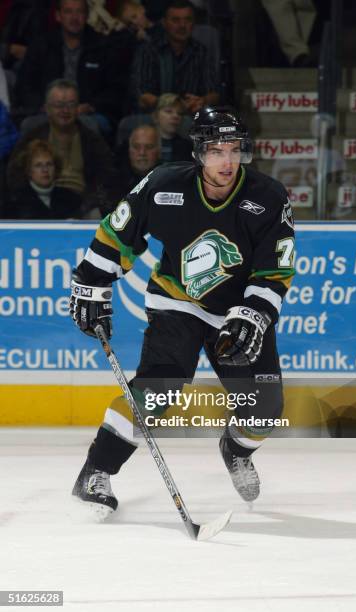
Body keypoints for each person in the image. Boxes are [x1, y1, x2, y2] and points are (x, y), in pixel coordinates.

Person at [69, 106, 295, 517]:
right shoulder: (162, 185)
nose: (227, 162)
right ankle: (95, 471)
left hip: (238, 310)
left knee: (266, 406)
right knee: (159, 389)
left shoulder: (267, 197)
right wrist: (91, 281)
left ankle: (236, 449)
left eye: (234, 150)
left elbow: (275, 269)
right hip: (178, 300)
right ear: (198, 153)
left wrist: (254, 313)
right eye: (216, 151)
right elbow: (118, 234)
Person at [7, 79, 116, 218]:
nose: (65, 110)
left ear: (78, 108)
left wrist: (86, 204)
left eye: (71, 105)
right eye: (59, 105)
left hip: (83, 206)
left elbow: (106, 178)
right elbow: (14, 175)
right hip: (41, 203)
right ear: (47, 108)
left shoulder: (92, 139)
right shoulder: (32, 137)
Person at [13, 0, 120, 134]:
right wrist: (44, 106)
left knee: (89, 125)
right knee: (29, 125)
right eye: (68, 12)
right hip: (46, 111)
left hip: (88, 113)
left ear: (87, 15)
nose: (74, 17)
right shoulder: (41, 45)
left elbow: (115, 90)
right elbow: (25, 85)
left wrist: (91, 106)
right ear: (58, 16)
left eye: (79, 11)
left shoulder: (104, 46)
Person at [130, 0, 219, 113]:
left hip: (192, 116)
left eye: (188, 20)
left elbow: (214, 92)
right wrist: (173, 105)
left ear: (194, 23)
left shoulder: (201, 52)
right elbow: (141, 94)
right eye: (175, 20)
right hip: (155, 118)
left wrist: (202, 100)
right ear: (164, 23)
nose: (182, 26)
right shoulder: (148, 51)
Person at [5, 139, 82, 219]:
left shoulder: (70, 198)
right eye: (38, 165)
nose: (45, 170)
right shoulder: (15, 202)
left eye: (49, 164)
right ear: (28, 170)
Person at [115, 124, 161, 197]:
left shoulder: (167, 180)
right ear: (129, 150)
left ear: (159, 151)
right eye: (136, 147)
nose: (142, 153)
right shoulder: (113, 181)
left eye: (149, 147)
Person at [152, 93, 192, 162]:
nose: (175, 116)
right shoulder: (143, 142)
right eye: (169, 111)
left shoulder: (187, 147)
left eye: (180, 113)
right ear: (156, 116)